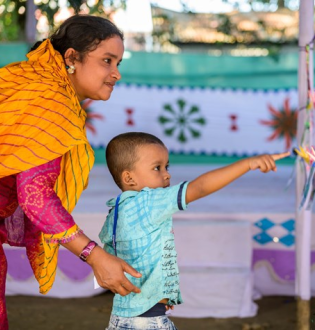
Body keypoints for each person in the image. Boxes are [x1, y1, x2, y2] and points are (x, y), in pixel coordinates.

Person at [0, 15, 142, 329]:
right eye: (107, 61)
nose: (116, 74)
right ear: (71, 57)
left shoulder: (29, 80)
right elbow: (35, 196)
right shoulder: (50, 100)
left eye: (118, 62)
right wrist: (94, 255)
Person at [100, 132, 289, 330]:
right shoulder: (150, 201)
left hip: (122, 316)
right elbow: (199, 188)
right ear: (129, 178)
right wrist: (248, 164)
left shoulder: (116, 211)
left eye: (167, 166)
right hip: (148, 322)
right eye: (157, 168)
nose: (167, 174)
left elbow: (108, 266)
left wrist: (158, 291)